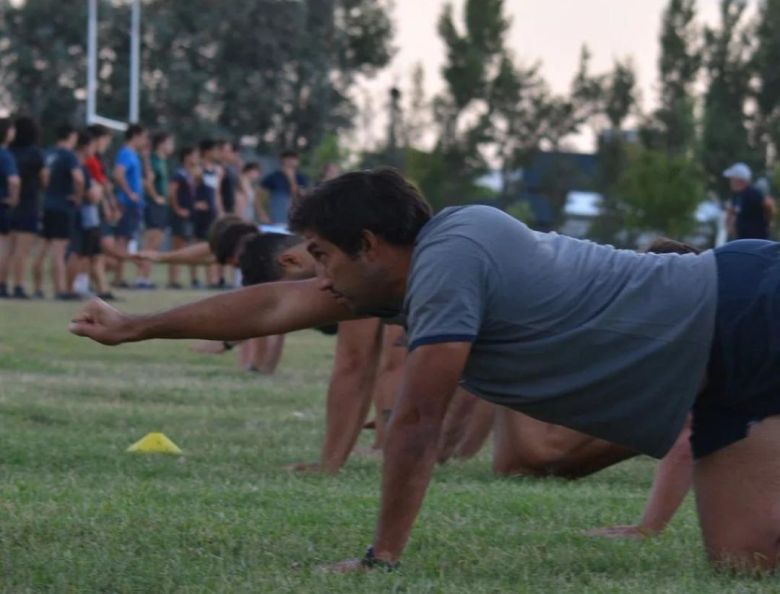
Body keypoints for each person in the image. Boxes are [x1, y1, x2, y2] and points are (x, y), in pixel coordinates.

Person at [70, 168, 780, 572]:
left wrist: (382, 557)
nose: (314, 274)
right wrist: (140, 327)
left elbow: (415, 421)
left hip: (748, 305)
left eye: (321, 254)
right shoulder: (409, 274)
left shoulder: (452, 255)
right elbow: (273, 305)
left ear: (371, 243)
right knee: (744, 563)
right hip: (720, 383)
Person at [35, 124, 83, 299]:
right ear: (71, 136)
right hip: (62, 206)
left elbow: (43, 177)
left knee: (42, 248)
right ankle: (60, 290)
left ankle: (37, 289)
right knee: (59, 250)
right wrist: (77, 196)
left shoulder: (48, 154)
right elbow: (78, 178)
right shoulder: (69, 155)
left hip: (48, 204)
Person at [67, 130, 113, 300]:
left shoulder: (83, 165)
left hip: (88, 214)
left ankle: (86, 286)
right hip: (85, 214)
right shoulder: (83, 165)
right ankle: (72, 288)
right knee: (80, 252)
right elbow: (92, 193)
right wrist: (98, 191)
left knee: (89, 252)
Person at [112, 123, 148, 288]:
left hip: (133, 204)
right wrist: (130, 194)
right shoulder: (126, 153)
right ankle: (118, 278)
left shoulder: (134, 154)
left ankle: (120, 277)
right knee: (121, 241)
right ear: (136, 136)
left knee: (126, 240)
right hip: (127, 204)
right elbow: (118, 174)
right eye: (143, 137)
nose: (145, 140)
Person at [137, 132, 174, 289]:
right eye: (170, 143)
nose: (172, 146)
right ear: (162, 143)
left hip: (161, 206)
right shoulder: (152, 159)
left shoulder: (162, 160)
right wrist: (155, 197)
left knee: (157, 242)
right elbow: (147, 181)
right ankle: (140, 278)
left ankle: (146, 277)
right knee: (150, 241)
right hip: (153, 205)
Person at [194, 139, 222, 287]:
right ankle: (196, 279)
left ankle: (213, 279)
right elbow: (190, 189)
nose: (217, 153)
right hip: (200, 214)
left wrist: (220, 212)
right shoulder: (197, 168)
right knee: (199, 246)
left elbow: (217, 194)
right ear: (207, 152)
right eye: (215, 150)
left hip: (213, 214)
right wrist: (195, 203)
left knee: (213, 246)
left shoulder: (218, 170)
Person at [724, 162, 776, 240]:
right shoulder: (737, 196)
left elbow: (769, 205)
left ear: (739, 180)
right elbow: (733, 213)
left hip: (757, 240)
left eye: (732, 179)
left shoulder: (753, 193)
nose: (731, 182)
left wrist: (768, 223)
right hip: (743, 239)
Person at [0, 117, 22, 298]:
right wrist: (13, 199)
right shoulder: (5, 155)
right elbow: (13, 180)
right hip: (2, 205)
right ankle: (1, 285)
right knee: (3, 247)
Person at [259, 150, 308, 227]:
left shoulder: (300, 178)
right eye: (290, 158)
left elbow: (302, 198)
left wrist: (291, 179)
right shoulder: (273, 177)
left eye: (295, 159)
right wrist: (262, 213)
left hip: (294, 218)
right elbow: (259, 196)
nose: (293, 161)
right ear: (283, 160)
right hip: (276, 216)